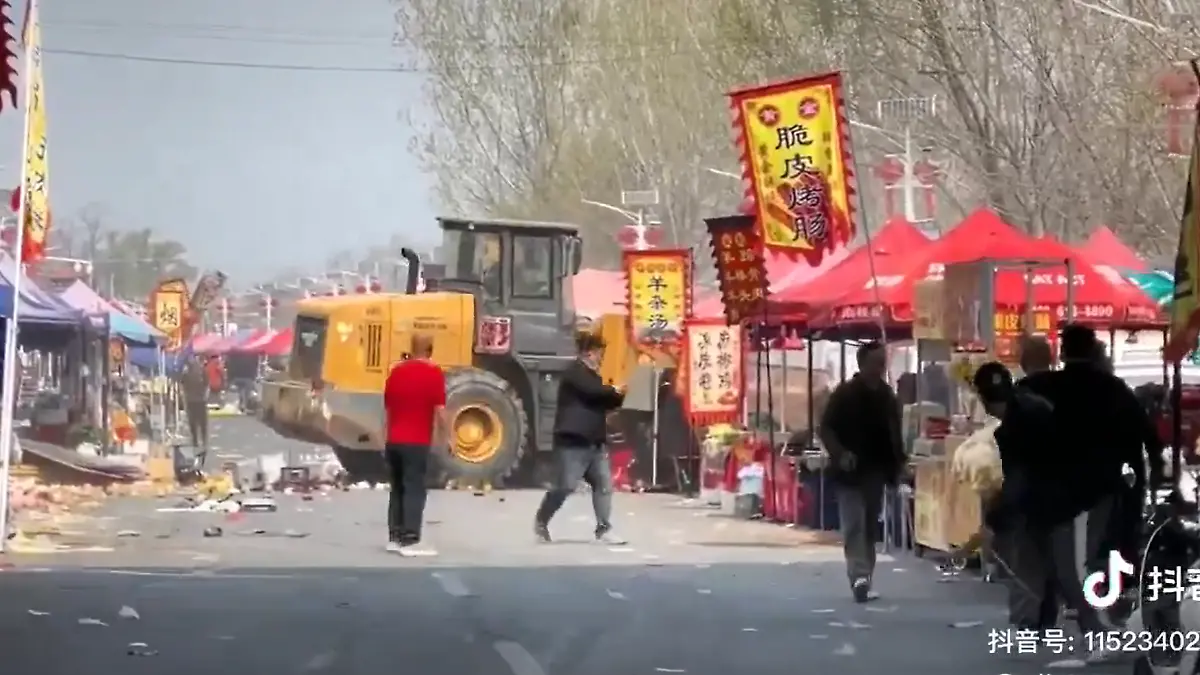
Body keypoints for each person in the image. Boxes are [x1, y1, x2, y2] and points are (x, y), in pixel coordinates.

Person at [972, 361, 1116, 647]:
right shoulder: (1028, 410)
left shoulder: (1018, 425)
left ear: (984, 399)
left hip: (1071, 501)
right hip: (1055, 500)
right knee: (1041, 562)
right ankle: (1036, 623)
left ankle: (1100, 634)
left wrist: (994, 518)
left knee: (1069, 571)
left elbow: (1021, 478)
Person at [818, 341, 905, 603]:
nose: (881, 366)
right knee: (854, 524)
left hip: (876, 471)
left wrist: (898, 464)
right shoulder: (844, 394)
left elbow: (894, 435)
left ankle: (865, 575)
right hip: (850, 471)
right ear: (862, 363)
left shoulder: (887, 396)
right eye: (876, 361)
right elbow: (826, 429)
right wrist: (840, 453)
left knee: (868, 526)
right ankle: (858, 575)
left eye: (883, 362)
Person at [534, 331, 627, 545]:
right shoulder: (574, 373)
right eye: (599, 354)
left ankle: (604, 528)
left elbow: (605, 400)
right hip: (573, 441)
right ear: (589, 353)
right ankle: (541, 521)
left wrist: (616, 395)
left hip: (594, 441)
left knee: (603, 484)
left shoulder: (594, 377)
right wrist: (612, 390)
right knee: (565, 486)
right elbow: (593, 392)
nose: (601, 358)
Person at [382, 334, 447, 557]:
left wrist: (385, 437)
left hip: (393, 440)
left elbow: (388, 407)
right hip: (416, 441)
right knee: (414, 489)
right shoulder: (433, 373)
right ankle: (411, 539)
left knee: (397, 488)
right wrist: (447, 438)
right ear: (430, 349)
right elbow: (440, 411)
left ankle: (395, 537)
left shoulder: (396, 372)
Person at [181, 356, 210, 465]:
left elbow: (206, 384)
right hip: (196, 399)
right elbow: (183, 384)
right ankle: (200, 441)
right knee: (198, 422)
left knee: (197, 421)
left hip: (195, 400)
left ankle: (199, 441)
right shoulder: (189, 371)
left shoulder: (197, 370)